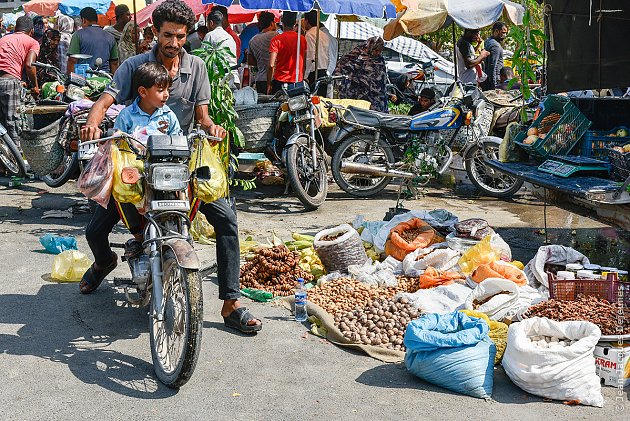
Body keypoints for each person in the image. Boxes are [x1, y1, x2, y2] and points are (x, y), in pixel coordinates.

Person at [79, 0, 262, 333]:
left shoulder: (199, 68)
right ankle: (106, 261)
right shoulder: (135, 66)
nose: (174, 43)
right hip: (136, 160)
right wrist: (93, 124)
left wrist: (212, 129)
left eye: (180, 36)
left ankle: (231, 303)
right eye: (167, 35)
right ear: (155, 32)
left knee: (227, 220)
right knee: (96, 228)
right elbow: (104, 102)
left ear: (187, 34)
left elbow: (204, 117)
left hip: (179, 161)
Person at [0, 16, 40, 146]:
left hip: (6, 79)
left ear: (16, 28)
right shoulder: (32, 42)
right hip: (9, 82)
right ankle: (16, 162)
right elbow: (29, 65)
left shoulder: (3, 38)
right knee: (12, 123)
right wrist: (35, 86)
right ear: (32, 30)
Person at [334, 37, 388, 113]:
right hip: (359, 94)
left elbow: (382, 78)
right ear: (370, 47)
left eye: (380, 51)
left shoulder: (379, 59)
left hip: (377, 97)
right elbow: (341, 68)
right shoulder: (355, 56)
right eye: (376, 50)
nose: (378, 53)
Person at [67, 7, 119, 74]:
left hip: (83, 79)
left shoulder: (78, 35)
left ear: (83, 20)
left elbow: (72, 60)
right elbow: (114, 63)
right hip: (104, 78)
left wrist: (69, 78)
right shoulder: (110, 37)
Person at [267, 12, 306, 94]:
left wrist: (269, 84)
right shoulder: (302, 39)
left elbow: (271, 65)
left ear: (282, 22)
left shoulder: (276, 40)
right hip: (297, 81)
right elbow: (304, 62)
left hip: (280, 82)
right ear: (295, 23)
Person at [303, 10, 338, 96]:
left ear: (307, 21)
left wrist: (305, 76)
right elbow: (328, 56)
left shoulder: (309, 34)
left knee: (311, 100)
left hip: (313, 73)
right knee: (321, 100)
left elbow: (310, 57)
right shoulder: (324, 35)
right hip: (324, 71)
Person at [204, 10, 239, 85]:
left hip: (220, 80)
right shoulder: (230, 37)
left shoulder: (210, 35)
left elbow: (203, 57)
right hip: (234, 78)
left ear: (211, 23)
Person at [247, 11, 276, 94]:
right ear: (271, 23)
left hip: (260, 79)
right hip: (274, 79)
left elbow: (250, 61)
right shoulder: (277, 36)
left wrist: (261, 62)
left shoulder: (253, 40)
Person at [482, 22, 508, 90]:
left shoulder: (488, 41)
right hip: (494, 80)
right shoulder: (495, 46)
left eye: (505, 33)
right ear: (496, 31)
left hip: (488, 79)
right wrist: (494, 85)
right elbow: (492, 66)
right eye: (503, 33)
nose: (505, 35)